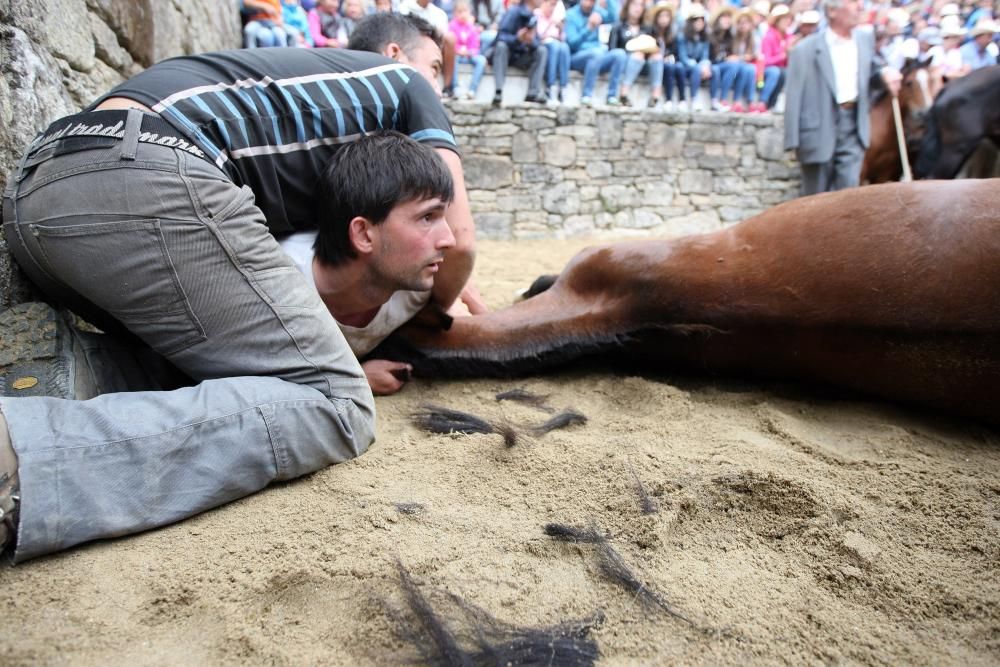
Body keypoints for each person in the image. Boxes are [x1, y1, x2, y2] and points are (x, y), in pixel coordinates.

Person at [0, 13, 482, 562]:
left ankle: (65, 371)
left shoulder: (308, 123)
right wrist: (432, 315)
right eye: (437, 66)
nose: (441, 86)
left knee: (234, 364)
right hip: (142, 172)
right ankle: (18, 463)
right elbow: (462, 242)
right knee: (337, 404)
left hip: (39, 196)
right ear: (398, 54)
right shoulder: (406, 85)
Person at [783, 0, 902, 195]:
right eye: (852, 2)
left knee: (848, 197)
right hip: (818, 127)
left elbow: (871, 72)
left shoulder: (865, 40)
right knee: (815, 200)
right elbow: (793, 96)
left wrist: (885, 75)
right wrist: (792, 140)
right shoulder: (805, 49)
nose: (859, 7)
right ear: (832, 11)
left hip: (854, 124)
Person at [565, 0, 628, 106]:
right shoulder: (571, 14)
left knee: (619, 54)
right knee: (596, 53)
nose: (590, 2)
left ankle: (612, 96)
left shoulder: (597, 11)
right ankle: (586, 96)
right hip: (577, 57)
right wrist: (589, 28)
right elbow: (572, 43)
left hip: (597, 57)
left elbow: (614, 17)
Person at [488, 0, 550, 105]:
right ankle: (498, 91)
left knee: (542, 51)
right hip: (506, 55)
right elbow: (500, 37)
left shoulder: (533, 17)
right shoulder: (514, 12)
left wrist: (531, 41)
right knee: (501, 46)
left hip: (521, 57)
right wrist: (517, 39)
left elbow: (537, 42)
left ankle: (533, 92)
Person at [608, 0, 663, 108]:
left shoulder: (647, 28)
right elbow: (612, 50)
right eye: (634, 4)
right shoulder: (618, 27)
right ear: (627, 6)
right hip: (626, 63)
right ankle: (624, 93)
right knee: (637, 55)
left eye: (641, 5)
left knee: (657, 56)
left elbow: (657, 46)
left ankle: (655, 96)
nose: (637, 8)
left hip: (644, 63)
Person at [399, 0, 460, 95]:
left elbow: (441, 36)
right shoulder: (404, 8)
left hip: (435, 47)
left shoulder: (439, 13)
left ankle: (447, 88)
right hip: (411, 46)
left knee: (450, 38)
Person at [449, 0, 488, 98]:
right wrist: (458, 51)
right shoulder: (452, 26)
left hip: (469, 56)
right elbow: (450, 44)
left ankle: (472, 90)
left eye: (465, 11)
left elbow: (475, 45)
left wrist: (469, 52)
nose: (462, 14)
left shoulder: (471, 27)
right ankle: (455, 88)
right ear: (455, 13)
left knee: (481, 60)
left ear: (469, 12)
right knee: (453, 58)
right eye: (459, 11)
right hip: (457, 55)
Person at [677, 3, 712, 111]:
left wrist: (705, 65)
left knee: (710, 70)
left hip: (697, 68)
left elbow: (705, 56)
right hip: (684, 65)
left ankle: (706, 100)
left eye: (702, 20)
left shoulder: (704, 37)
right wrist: (697, 66)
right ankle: (688, 99)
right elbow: (682, 57)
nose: (700, 23)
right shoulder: (682, 36)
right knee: (689, 68)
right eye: (697, 20)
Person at [535, 0, 571, 103]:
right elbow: (539, 36)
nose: (552, 8)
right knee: (554, 46)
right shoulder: (537, 14)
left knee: (564, 47)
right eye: (551, 5)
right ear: (544, 3)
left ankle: (563, 88)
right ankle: (550, 86)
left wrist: (560, 29)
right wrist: (550, 25)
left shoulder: (555, 18)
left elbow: (563, 38)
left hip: (556, 44)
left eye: (554, 6)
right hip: (544, 46)